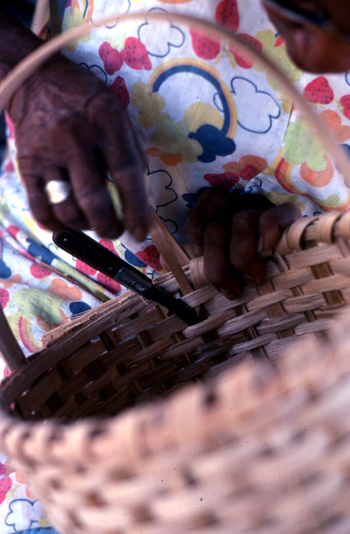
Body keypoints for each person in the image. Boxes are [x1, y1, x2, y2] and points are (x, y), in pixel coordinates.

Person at [0, 0, 349, 531]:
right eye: (309, 15)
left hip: (311, 303)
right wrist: (29, 81)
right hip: (61, 261)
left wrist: (289, 219)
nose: (327, 55)